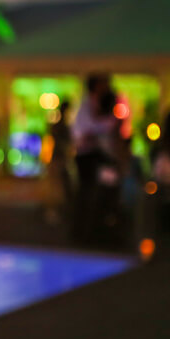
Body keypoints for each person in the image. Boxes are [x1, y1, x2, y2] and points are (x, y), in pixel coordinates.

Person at [72, 73, 116, 241]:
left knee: (94, 193)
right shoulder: (87, 105)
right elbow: (86, 130)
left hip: (93, 155)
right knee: (88, 193)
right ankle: (84, 232)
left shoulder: (95, 104)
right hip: (87, 156)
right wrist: (110, 124)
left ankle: (90, 230)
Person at [45, 100, 73, 223]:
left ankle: (56, 211)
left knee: (58, 186)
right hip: (58, 158)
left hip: (59, 157)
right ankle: (53, 212)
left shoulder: (60, 124)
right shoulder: (60, 124)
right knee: (57, 186)